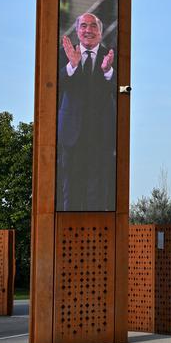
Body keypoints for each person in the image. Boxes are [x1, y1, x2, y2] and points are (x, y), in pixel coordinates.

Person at [56, 12, 117, 211]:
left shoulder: (112, 56)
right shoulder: (62, 54)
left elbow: (121, 90)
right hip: (71, 134)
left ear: (100, 31)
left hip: (100, 135)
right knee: (69, 189)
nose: (88, 30)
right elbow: (52, 85)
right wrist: (72, 65)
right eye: (83, 26)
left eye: (93, 26)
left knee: (97, 189)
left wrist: (108, 71)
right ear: (77, 30)